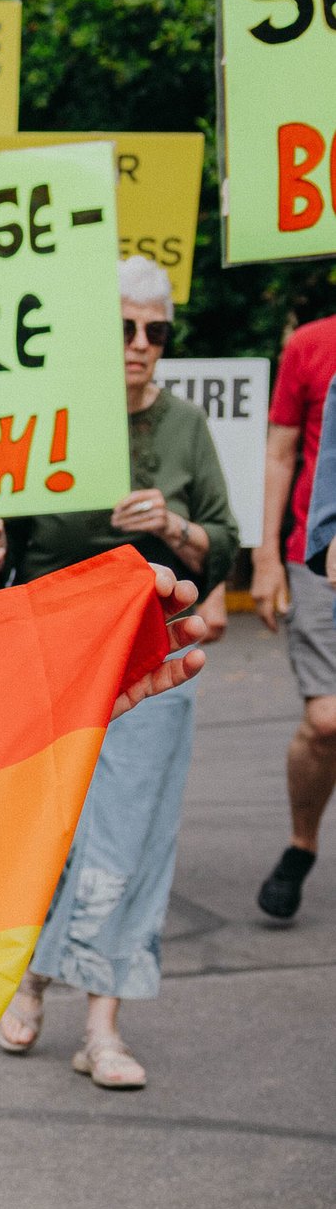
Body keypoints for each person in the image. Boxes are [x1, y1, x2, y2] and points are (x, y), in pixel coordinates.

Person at [0, 258, 236, 1090]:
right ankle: (34, 977)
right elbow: (2, 556)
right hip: (51, 649)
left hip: (152, 647)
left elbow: (228, 543)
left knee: (131, 836)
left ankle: (103, 1024)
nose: (138, 345)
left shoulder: (186, 426)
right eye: (123, 327)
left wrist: (180, 527)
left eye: (155, 332)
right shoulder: (49, 418)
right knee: (54, 832)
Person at [251, 303, 336, 922]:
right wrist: (265, 558)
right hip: (319, 553)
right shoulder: (311, 345)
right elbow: (280, 454)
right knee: (329, 721)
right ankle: (302, 842)